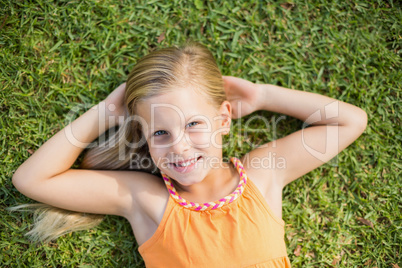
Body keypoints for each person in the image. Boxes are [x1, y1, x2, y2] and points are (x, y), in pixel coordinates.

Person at [12, 42, 367, 267]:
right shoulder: (146, 199)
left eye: (194, 124)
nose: (180, 147)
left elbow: (350, 122)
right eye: (160, 133)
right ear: (145, 139)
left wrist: (262, 96)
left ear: (224, 119)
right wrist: (104, 112)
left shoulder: (261, 175)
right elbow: (31, 179)